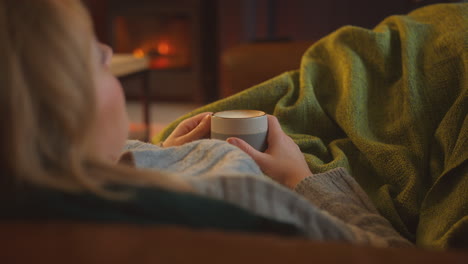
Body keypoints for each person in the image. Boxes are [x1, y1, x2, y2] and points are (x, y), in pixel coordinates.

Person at [0, 0, 414, 247]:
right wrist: (300, 177)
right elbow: (390, 252)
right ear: (65, 113)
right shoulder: (238, 201)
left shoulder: (27, 188)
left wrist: (159, 155)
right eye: (94, 59)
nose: (109, 50)